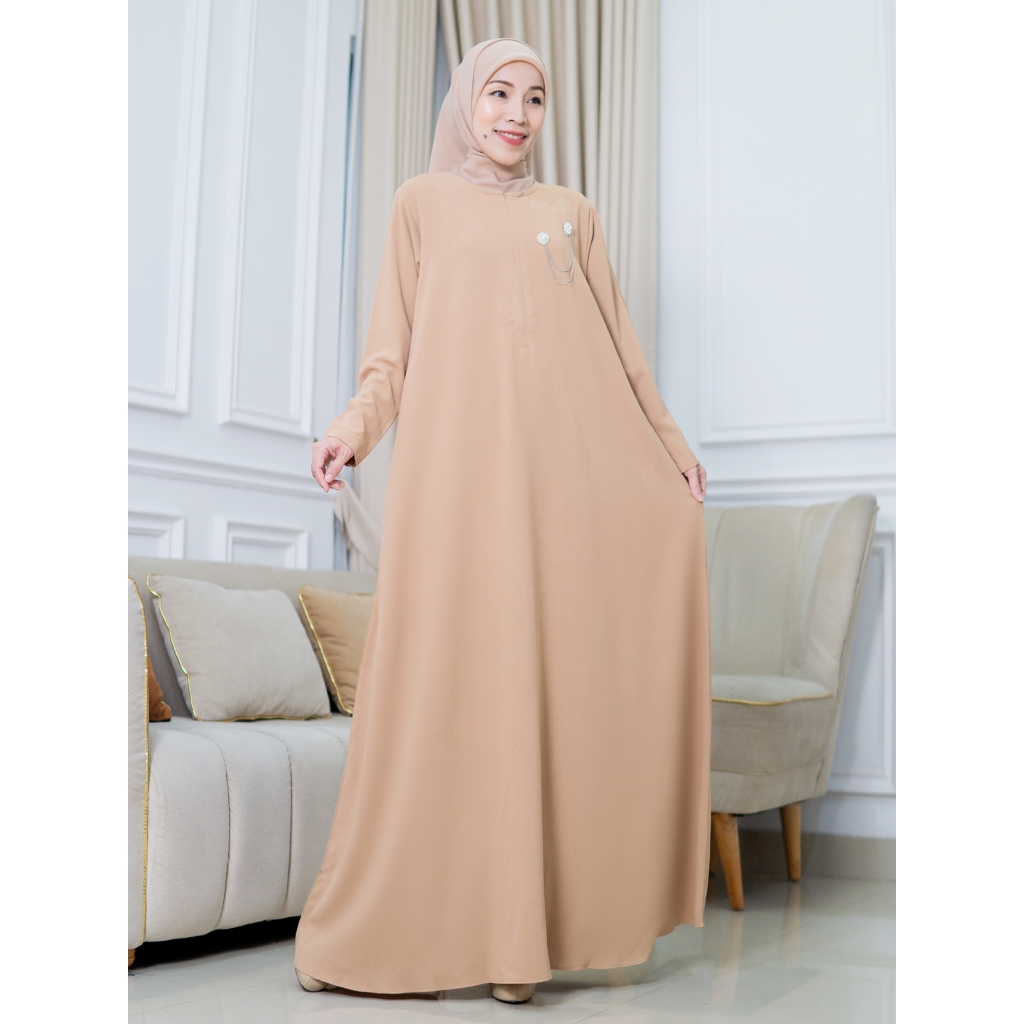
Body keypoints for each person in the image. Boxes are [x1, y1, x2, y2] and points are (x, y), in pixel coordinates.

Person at [295, 38, 711, 1006]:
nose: (516, 115)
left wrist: (672, 449)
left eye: (533, 98)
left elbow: (623, 355)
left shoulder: (571, 215)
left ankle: (523, 944)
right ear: (465, 102)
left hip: (554, 493)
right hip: (450, 492)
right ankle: (391, 934)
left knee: (541, 696)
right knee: (445, 697)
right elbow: (389, 358)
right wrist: (349, 432)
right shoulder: (419, 204)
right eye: (497, 94)